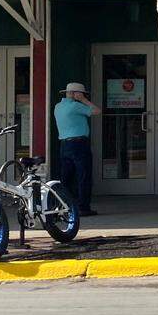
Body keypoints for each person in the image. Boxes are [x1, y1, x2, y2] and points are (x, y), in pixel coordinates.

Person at [54, 82, 101, 217]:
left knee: (66, 177)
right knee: (83, 176)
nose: (83, 96)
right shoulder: (76, 106)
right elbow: (97, 111)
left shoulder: (58, 107)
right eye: (81, 94)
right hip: (79, 144)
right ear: (75, 94)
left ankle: (64, 205)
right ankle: (83, 207)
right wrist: (84, 100)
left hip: (64, 144)